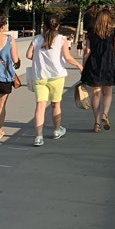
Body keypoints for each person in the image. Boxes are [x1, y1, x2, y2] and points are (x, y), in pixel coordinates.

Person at [27, 15, 82, 146]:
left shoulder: (37, 39)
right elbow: (67, 57)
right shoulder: (61, 39)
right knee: (55, 104)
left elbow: (29, 55)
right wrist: (79, 65)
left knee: (40, 106)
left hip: (40, 76)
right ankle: (57, 130)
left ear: (44, 25)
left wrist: (40, 60)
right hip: (56, 76)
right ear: (58, 25)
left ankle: (38, 137)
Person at [81, 7, 115, 132]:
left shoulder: (91, 32)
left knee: (96, 93)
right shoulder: (114, 32)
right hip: (109, 64)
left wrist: (83, 66)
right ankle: (105, 113)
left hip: (94, 65)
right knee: (107, 93)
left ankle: (96, 122)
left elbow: (87, 51)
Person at [0, 13, 20, 140]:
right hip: (4, 77)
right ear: (3, 25)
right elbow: (16, 60)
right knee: (1, 105)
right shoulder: (9, 39)